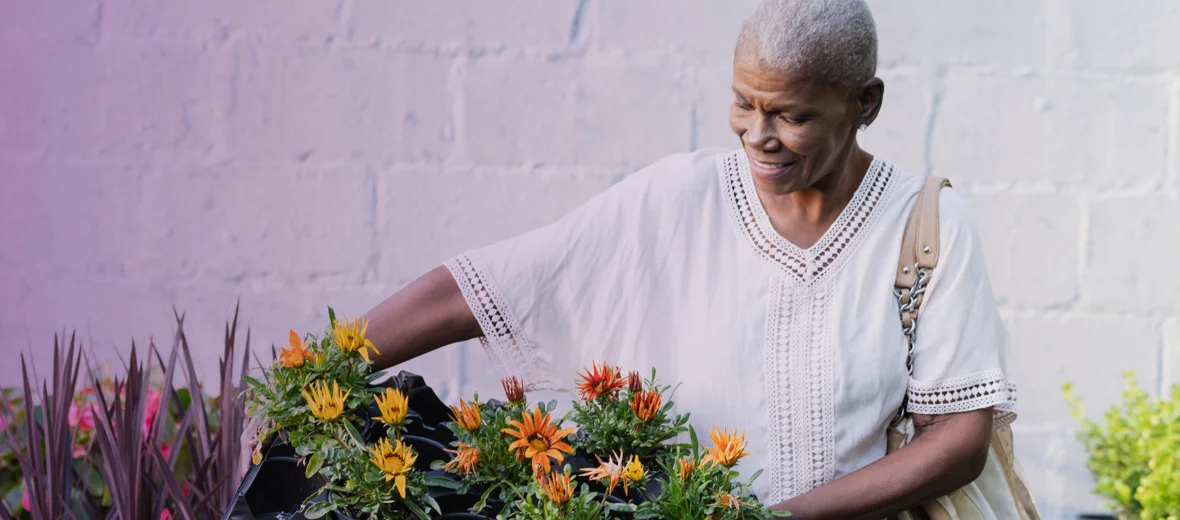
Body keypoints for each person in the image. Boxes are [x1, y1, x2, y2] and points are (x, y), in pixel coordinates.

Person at [357, 0, 1019, 517]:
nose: (759, 137)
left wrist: (776, 518)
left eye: (791, 115)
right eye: (744, 103)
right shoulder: (680, 197)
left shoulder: (927, 224)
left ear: (864, 103)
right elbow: (489, 288)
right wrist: (323, 369)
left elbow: (959, 442)